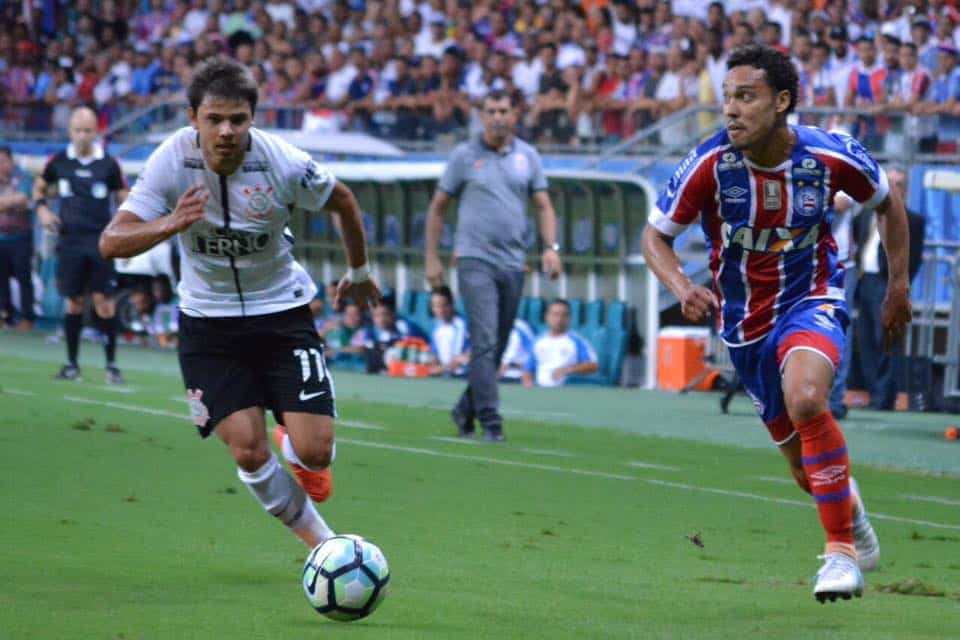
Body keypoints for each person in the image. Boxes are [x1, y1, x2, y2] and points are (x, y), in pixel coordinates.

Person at [641, 45, 912, 603]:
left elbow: (886, 202)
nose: (732, 111)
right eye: (727, 99)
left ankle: (839, 553)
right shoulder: (710, 163)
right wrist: (681, 287)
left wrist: (899, 284)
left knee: (809, 399)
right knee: (802, 468)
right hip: (745, 323)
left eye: (746, 97)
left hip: (813, 295)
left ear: (782, 101)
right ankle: (852, 514)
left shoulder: (831, 155)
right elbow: (655, 236)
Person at [98, 58, 382, 550]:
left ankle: (293, 445)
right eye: (214, 119)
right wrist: (168, 224)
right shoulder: (171, 160)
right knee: (248, 451)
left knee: (316, 453)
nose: (226, 131)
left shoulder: (283, 161)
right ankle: (325, 546)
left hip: (282, 313)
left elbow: (345, 201)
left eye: (238, 119)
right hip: (210, 326)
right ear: (193, 118)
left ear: (253, 118)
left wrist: (359, 273)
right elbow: (111, 241)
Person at [425, 89, 562, 442]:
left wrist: (551, 248)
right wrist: (431, 258)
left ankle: (465, 408)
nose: (498, 117)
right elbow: (438, 207)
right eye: (491, 111)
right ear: (481, 116)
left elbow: (544, 205)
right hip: (474, 260)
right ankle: (491, 420)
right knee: (485, 339)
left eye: (504, 110)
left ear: (515, 115)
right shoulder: (464, 156)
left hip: (514, 262)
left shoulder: (527, 157)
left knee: (497, 345)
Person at [34, 106, 129, 383]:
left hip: (101, 241)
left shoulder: (108, 164)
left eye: (88, 131)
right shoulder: (59, 161)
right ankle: (72, 364)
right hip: (70, 241)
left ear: (96, 132)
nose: (83, 136)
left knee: (104, 301)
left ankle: (111, 366)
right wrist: (42, 211)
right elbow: (40, 186)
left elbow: (124, 195)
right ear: (70, 131)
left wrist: (128, 222)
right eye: (78, 130)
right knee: (73, 302)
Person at [854, 164, 926, 410]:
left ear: (905, 189)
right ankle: (876, 393)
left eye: (898, 183)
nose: (893, 187)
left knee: (886, 341)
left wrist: (898, 288)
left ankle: (884, 398)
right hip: (864, 283)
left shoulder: (913, 220)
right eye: (890, 182)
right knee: (865, 341)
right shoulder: (866, 214)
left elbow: (913, 259)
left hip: (887, 285)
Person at [522, 299, 598, 387]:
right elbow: (528, 369)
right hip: (541, 391)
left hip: (567, 391)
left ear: (569, 319)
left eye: (564, 315)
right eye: (555, 314)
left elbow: (593, 366)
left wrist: (567, 370)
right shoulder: (538, 342)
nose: (559, 319)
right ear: (547, 317)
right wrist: (528, 384)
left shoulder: (577, 341)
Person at [0, 146, 35, 330]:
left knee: (24, 278)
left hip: (20, 237)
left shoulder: (23, 177)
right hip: (1, 238)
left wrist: (7, 202)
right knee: (1, 279)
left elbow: (22, 198)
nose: (1, 165)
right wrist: (10, 202)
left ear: (11, 161)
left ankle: (27, 318)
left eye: (4, 160)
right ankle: (5, 316)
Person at [427, 285, 469, 376]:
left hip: (464, 376)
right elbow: (434, 356)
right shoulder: (436, 328)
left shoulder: (463, 325)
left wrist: (436, 370)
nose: (441, 310)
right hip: (444, 377)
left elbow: (460, 360)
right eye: (436, 306)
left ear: (452, 304)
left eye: (444, 305)